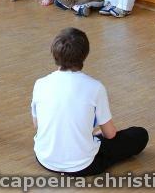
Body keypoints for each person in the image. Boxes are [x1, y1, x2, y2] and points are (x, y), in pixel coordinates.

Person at [32, 27, 148, 176]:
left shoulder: (40, 83)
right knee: (140, 134)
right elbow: (110, 135)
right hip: (83, 166)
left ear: (54, 53)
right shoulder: (95, 87)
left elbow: (37, 124)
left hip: (45, 158)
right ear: (84, 55)